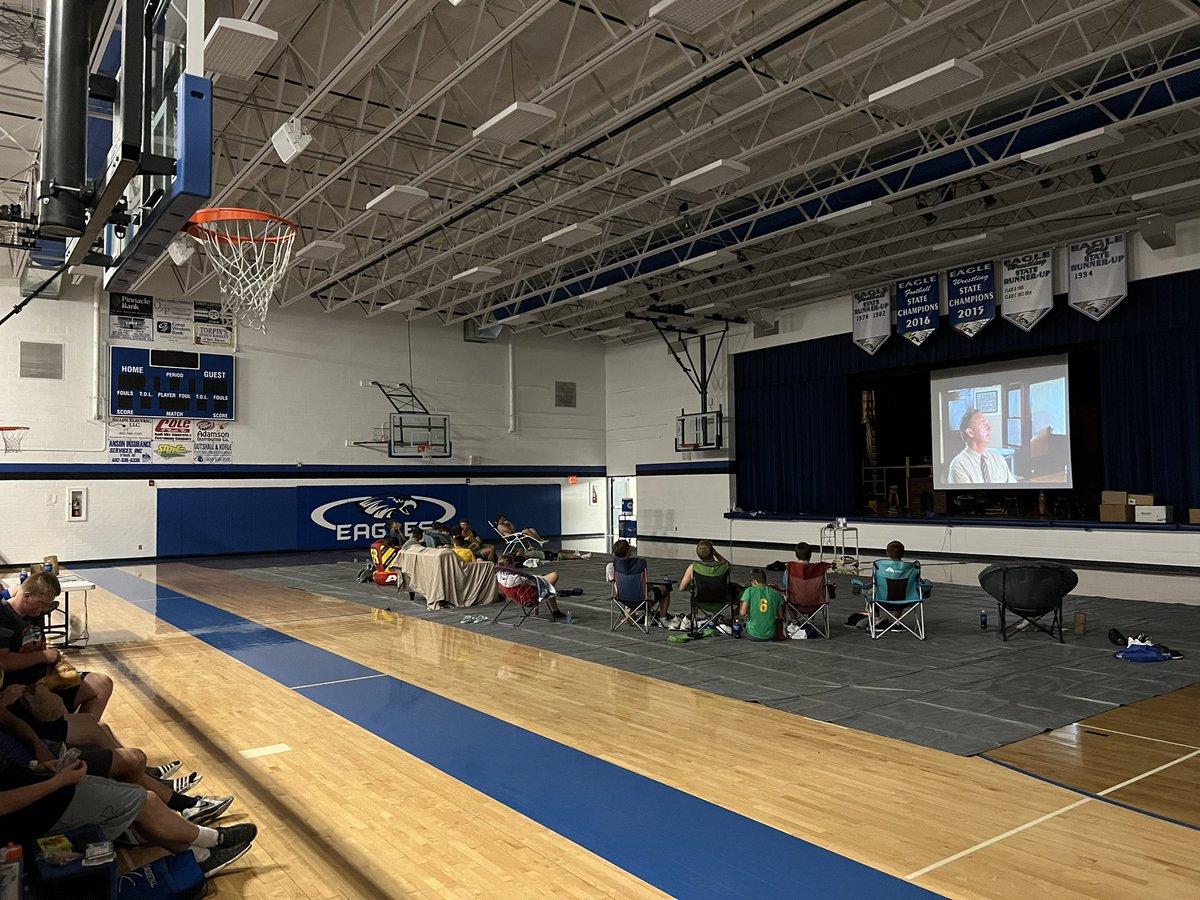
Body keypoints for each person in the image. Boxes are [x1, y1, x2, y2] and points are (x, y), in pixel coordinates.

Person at [605, 540, 669, 624]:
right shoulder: (638, 564)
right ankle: (663, 620)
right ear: (628, 551)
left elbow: (613, 581)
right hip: (641, 599)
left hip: (622, 598)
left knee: (638, 590)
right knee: (664, 589)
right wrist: (651, 586)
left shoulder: (610, 566)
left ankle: (630, 609)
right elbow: (642, 586)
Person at [948, 407, 1016, 484]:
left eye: (988, 424)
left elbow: (1013, 487)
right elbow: (967, 495)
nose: (990, 428)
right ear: (970, 432)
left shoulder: (998, 458)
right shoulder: (959, 465)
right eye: (983, 424)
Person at [496, 555, 570, 620]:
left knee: (546, 580)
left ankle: (553, 609)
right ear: (511, 565)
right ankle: (555, 610)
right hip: (530, 597)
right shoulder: (516, 578)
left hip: (517, 597)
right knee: (554, 575)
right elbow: (533, 582)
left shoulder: (499, 576)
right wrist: (538, 578)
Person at [738, 569, 785, 641]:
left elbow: (742, 613)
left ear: (754, 581)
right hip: (771, 634)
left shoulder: (749, 591)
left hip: (752, 634)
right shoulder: (776, 594)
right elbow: (780, 616)